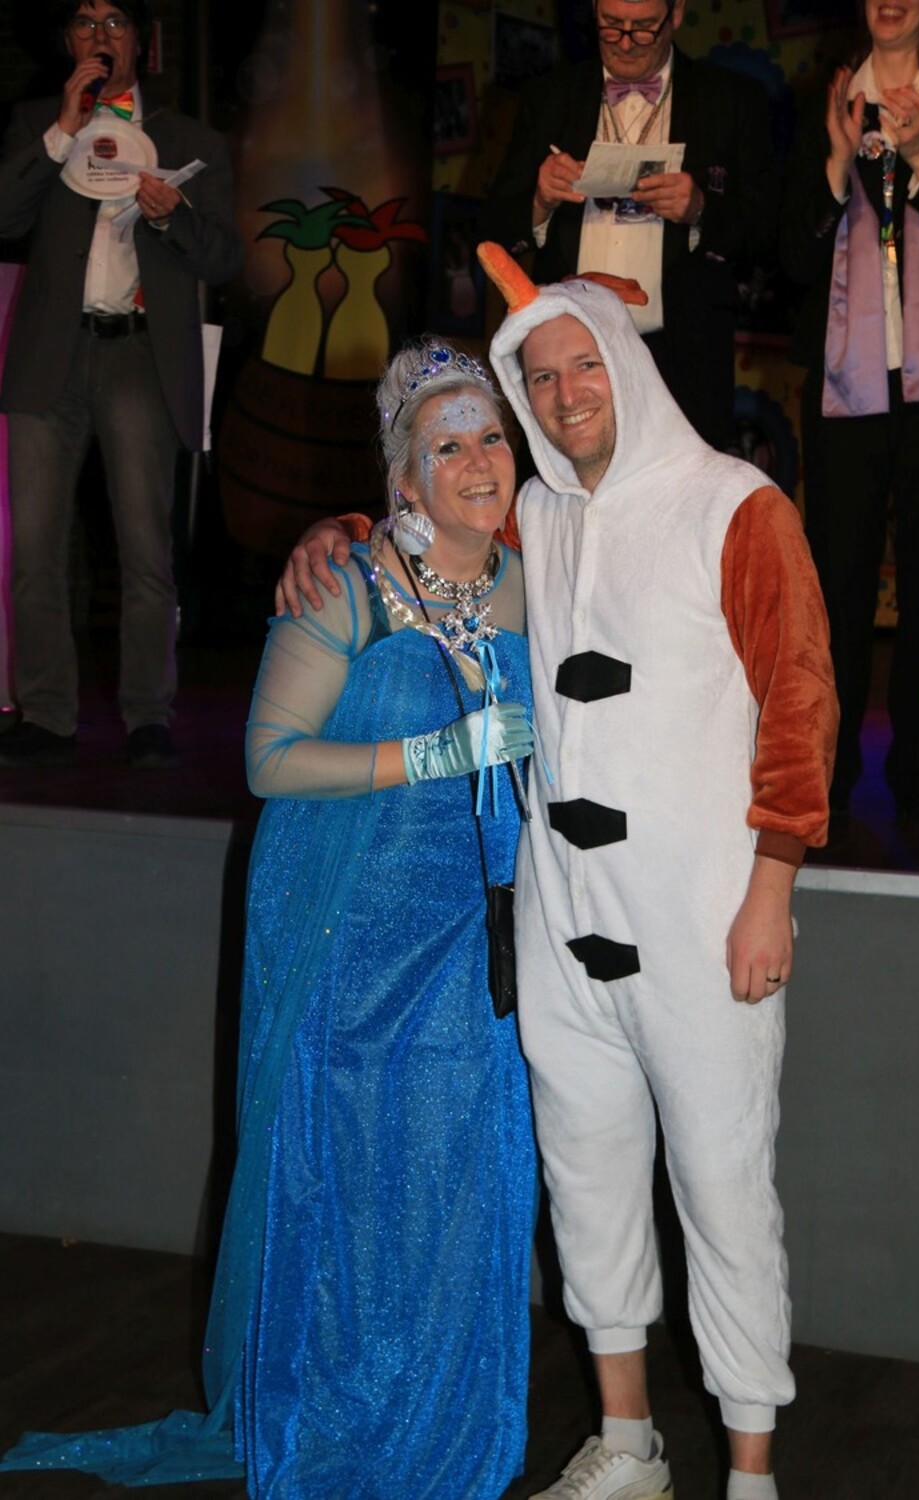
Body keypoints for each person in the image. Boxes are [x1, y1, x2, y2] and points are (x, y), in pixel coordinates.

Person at [276, 246, 838, 1500]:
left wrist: (772, 890)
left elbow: (800, 707)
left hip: (702, 922)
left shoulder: (736, 505)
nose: (566, 392)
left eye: (585, 365)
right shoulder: (536, 512)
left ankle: (751, 1473)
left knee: (723, 1194)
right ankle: (628, 1445)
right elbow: (427, 527)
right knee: (587, 1181)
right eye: (540, 376)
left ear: (627, 364)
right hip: (562, 922)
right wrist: (339, 529)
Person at [0, 340, 537, 1497]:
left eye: (491, 436)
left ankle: (443, 1411)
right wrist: (434, 752)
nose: (476, 462)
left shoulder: (536, 578)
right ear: (404, 474)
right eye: (446, 445)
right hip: (350, 929)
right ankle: (338, 1406)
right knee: (350, 1171)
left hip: (476, 932)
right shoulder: (346, 584)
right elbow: (269, 761)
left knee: (459, 1171)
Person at [0, 0, 241, 770]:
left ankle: (148, 716)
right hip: (51, 353)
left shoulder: (191, 140)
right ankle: (46, 713)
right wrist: (62, 131)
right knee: (35, 549)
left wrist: (172, 218)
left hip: (139, 353)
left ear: (143, 40)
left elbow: (225, 258)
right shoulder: (38, 122)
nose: (100, 36)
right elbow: (5, 215)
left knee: (144, 547)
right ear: (68, 41)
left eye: (115, 22)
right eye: (84, 22)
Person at [779, 0, 919, 825]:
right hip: (846, 390)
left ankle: (918, 777)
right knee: (836, 587)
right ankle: (829, 780)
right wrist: (838, 165)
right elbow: (791, 255)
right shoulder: (824, 100)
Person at [479, 0, 778, 451]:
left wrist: (701, 211)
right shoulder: (549, 96)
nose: (625, 43)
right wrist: (539, 199)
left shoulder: (732, 100)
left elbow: (769, 238)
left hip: (684, 361)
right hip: (566, 361)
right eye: (611, 25)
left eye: (643, 28)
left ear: (676, 13)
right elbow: (492, 231)